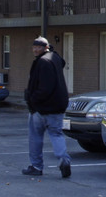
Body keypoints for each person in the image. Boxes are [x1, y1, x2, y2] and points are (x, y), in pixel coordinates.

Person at [22, 36, 71, 178]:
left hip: (41, 108)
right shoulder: (54, 59)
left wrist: (33, 101)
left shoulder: (42, 62)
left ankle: (36, 166)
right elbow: (61, 61)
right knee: (57, 134)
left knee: (35, 137)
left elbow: (44, 88)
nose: (36, 50)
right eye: (34, 47)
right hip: (58, 106)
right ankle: (64, 160)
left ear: (45, 48)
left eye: (39, 47)